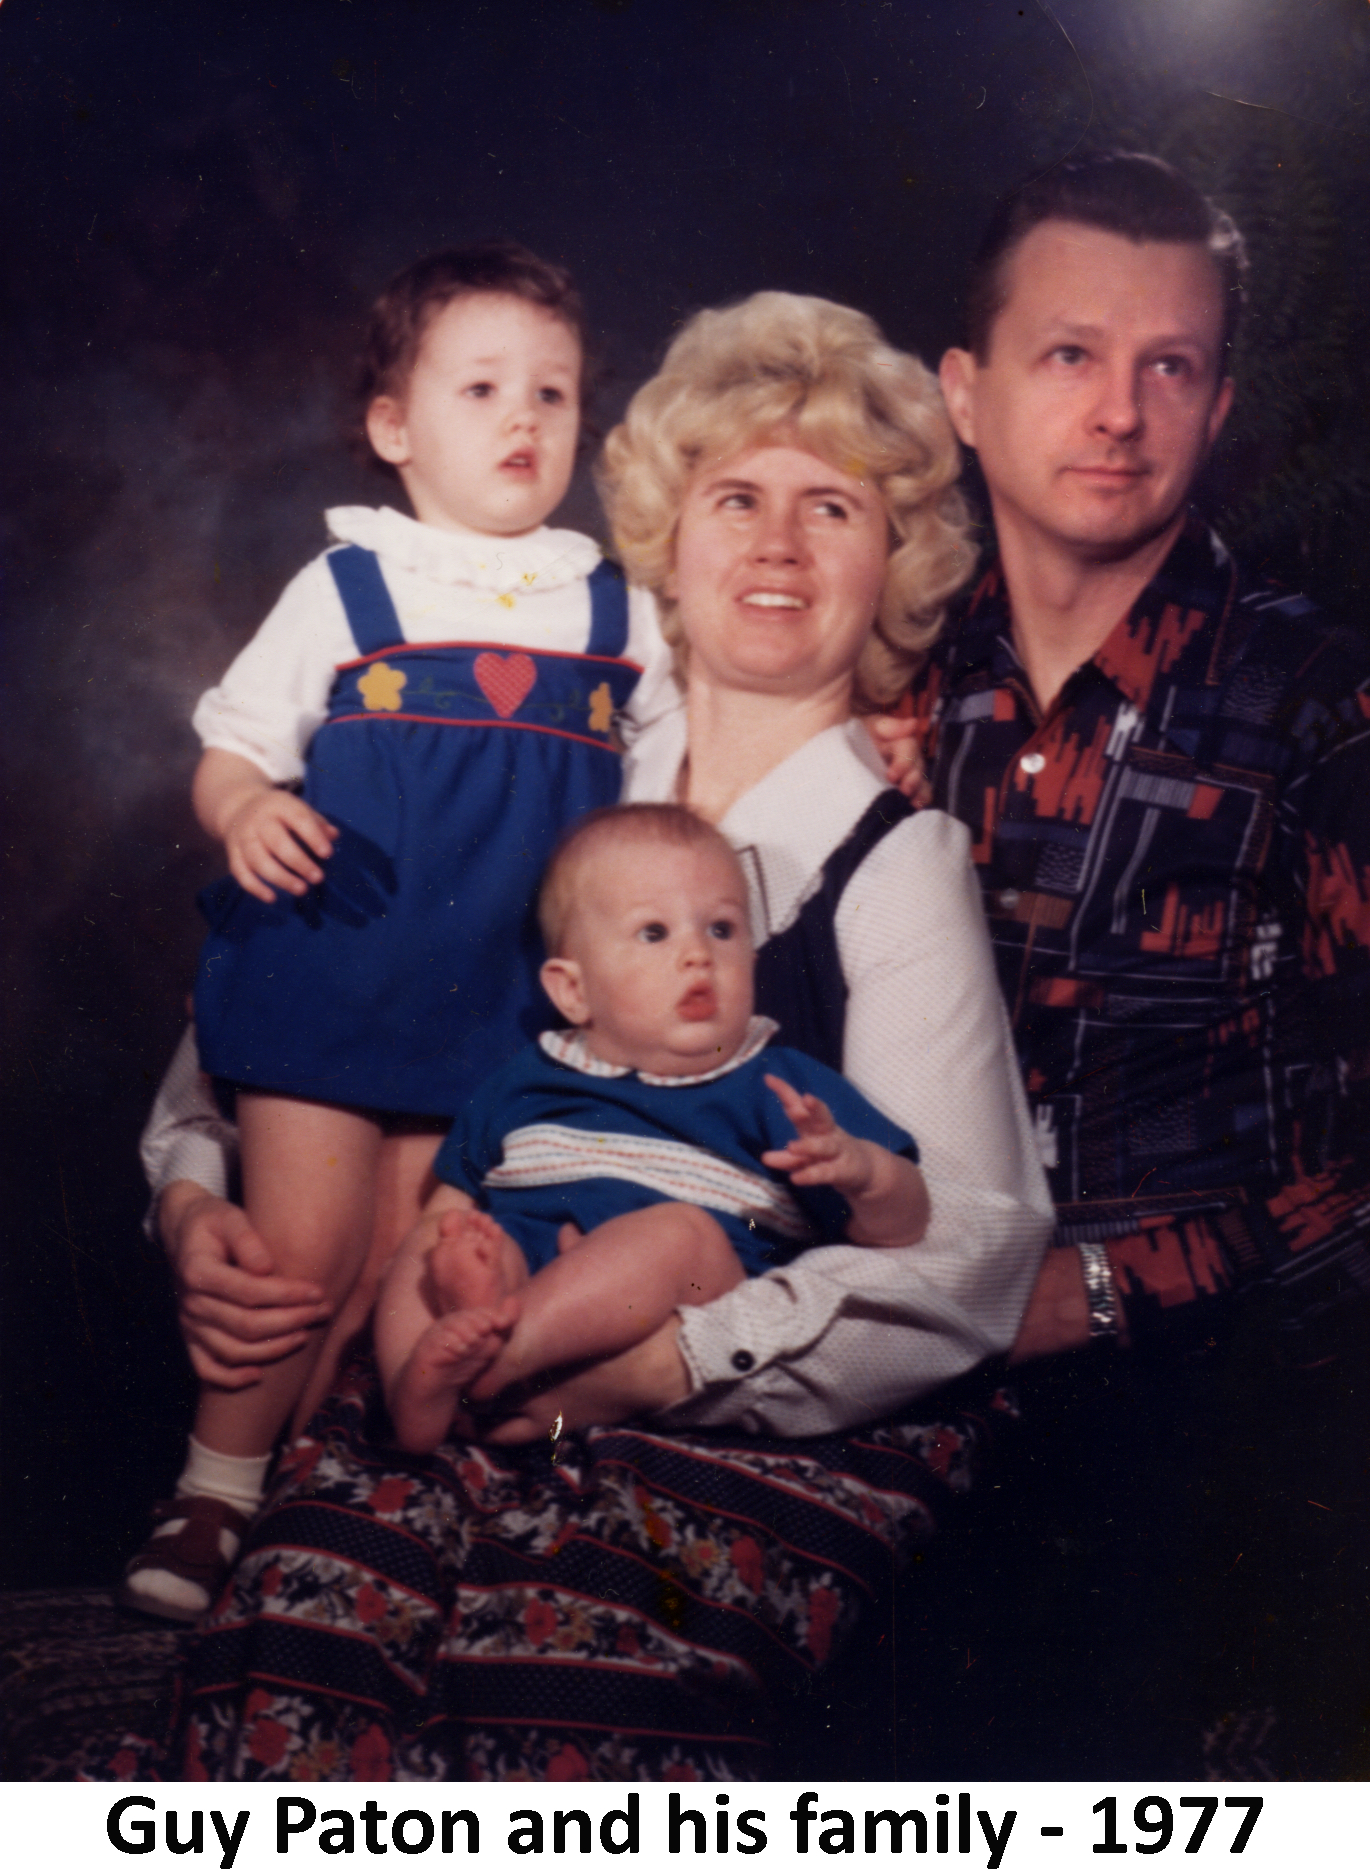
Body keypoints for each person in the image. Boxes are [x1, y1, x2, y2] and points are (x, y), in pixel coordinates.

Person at [131, 289, 1051, 1781]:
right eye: (735, 497)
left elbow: (976, 1255)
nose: (776, 543)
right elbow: (309, 997)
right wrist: (187, 1188)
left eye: (833, 509)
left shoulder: (892, 858)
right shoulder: (542, 758)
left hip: (742, 1418)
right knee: (278, 1705)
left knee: (558, 1715)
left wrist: (668, 1358)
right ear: (660, 544)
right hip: (458, 1371)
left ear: (894, 569)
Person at [895, 150, 1370, 1773]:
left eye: (1169, 364)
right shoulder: (881, 679)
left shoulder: (1317, 706)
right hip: (870, 1385)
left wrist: (1101, 1285)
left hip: (1201, 1420)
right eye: (1070, 354)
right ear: (964, 391)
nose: (1119, 410)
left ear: (1221, 401)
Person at [121, 242, 675, 1621]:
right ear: (392, 427)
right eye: (481, 387)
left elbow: (660, 802)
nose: (521, 420)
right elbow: (232, 747)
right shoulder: (345, 587)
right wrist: (246, 806)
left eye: (552, 394)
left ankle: (296, 1488)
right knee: (296, 1263)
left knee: (398, 1264)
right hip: (329, 971)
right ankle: (210, 1490)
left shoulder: (617, 612)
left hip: (494, 998)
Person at [377, 803, 930, 1451]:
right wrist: (452, 1241)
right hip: (517, 1270)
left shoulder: (779, 1082)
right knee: (431, 1244)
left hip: (685, 1296)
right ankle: (415, 1390)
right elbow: (449, 1201)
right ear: (574, 991)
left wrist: (863, 1171)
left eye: (722, 928)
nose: (697, 953)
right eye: (653, 933)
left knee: (678, 1233)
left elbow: (909, 1224)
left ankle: (504, 1357)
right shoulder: (528, 1078)